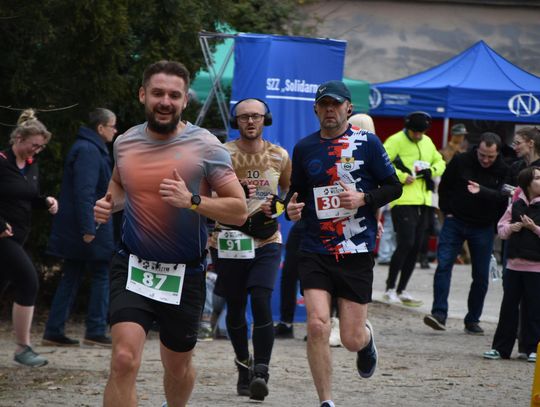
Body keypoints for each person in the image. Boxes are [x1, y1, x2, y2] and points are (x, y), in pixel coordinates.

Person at [93, 60, 248, 407]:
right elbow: (120, 186)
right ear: (143, 95)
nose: (165, 101)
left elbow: (239, 210)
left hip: (185, 273)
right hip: (133, 265)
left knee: (177, 368)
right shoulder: (125, 142)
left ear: (185, 100)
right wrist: (107, 204)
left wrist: (192, 201)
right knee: (123, 359)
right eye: (158, 93)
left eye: (174, 95)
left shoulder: (207, 146)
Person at [285, 80, 402, 407]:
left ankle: (366, 340)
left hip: (355, 249)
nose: (329, 110)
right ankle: (326, 401)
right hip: (315, 247)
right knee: (317, 325)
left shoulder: (367, 143)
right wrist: (290, 207)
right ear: (315, 109)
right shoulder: (305, 147)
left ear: (348, 108)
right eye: (324, 104)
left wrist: (364, 198)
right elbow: (296, 191)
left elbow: (394, 187)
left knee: (350, 339)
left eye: (335, 104)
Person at [208, 98, 291, 401]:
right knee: (235, 304)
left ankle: (261, 373)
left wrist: (277, 207)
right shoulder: (222, 153)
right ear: (236, 122)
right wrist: (232, 194)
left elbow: (288, 192)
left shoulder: (279, 155)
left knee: (260, 298)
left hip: (267, 240)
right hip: (229, 239)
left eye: (256, 116)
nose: (250, 121)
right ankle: (244, 366)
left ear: (265, 119)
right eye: (244, 117)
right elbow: (208, 194)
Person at [42, 108, 117, 348]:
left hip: (85, 223)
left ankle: (54, 330)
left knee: (72, 275)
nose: (116, 131)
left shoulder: (88, 148)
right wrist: (89, 228)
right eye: (112, 126)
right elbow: (85, 192)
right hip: (91, 223)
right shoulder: (89, 150)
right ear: (101, 128)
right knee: (100, 273)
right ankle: (95, 329)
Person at [424, 132, 508, 335]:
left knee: (481, 275)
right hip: (455, 221)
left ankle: (472, 320)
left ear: (497, 153)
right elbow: (445, 186)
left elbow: (503, 198)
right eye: (482, 155)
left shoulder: (503, 169)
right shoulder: (461, 160)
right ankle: (439, 314)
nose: (486, 160)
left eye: (490, 156)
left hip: (483, 227)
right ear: (477, 149)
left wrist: (496, 226)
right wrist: (447, 211)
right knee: (443, 266)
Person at [0, 109, 58, 367]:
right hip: (4, 238)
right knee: (28, 281)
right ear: (18, 138)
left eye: (41, 147)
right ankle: (23, 348)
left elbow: (27, 196)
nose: (37, 150)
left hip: (19, 237)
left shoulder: (31, 165)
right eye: (34, 145)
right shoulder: (2, 162)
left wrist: (45, 201)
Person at [382, 111, 446, 305]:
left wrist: (431, 171)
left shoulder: (427, 142)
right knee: (406, 243)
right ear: (407, 128)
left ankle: (402, 289)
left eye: (421, 132)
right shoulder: (395, 140)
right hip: (403, 200)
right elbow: (383, 163)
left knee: (417, 246)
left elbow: (440, 162)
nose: (418, 135)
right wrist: (402, 176)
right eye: (414, 132)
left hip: (424, 200)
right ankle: (390, 288)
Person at [483, 166, 540, 363]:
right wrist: (511, 228)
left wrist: (534, 228)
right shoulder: (515, 205)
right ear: (527, 184)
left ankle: (533, 349)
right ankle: (500, 348)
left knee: (534, 309)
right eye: (537, 178)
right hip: (514, 265)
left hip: (536, 267)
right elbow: (501, 229)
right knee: (508, 309)